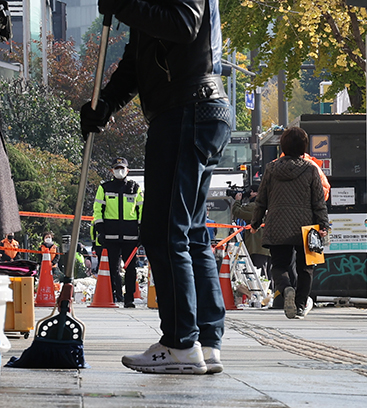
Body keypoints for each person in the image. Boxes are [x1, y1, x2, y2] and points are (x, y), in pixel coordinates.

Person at [80, 1, 231, 374]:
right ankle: (205, 341)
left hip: (186, 109)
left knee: (164, 231)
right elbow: (137, 60)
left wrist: (123, 5)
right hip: (194, 110)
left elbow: (182, 23)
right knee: (190, 233)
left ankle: (180, 343)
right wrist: (107, 105)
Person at [250, 127, 329, 320]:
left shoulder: (271, 168)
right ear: (304, 147)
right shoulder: (311, 169)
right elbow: (318, 201)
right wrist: (323, 225)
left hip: (278, 224)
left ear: (282, 146)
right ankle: (300, 305)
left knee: (279, 265)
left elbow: (262, 199)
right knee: (306, 267)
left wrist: (255, 222)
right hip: (306, 227)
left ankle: (286, 290)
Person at [92, 157, 143, 308]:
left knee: (130, 269)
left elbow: (142, 211)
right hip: (111, 235)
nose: (120, 171)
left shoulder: (135, 188)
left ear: (128, 170)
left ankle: (129, 299)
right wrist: (100, 230)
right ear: (112, 171)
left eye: (122, 168)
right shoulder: (105, 188)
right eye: (117, 168)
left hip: (131, 236)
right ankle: (114, 295)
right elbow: (97, 210)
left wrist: (143, 232)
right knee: (112, 268)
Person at [231, 185, 272, 288]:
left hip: (257, 246)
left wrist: (237, 200)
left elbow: (237, 212)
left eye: (250, 192)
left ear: (256, 193)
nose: (248, 194)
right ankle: (271, 295)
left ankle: (264, 296)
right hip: (268, 246)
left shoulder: (254, 206)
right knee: (268, 273)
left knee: (259, 273)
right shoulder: (268, 205)